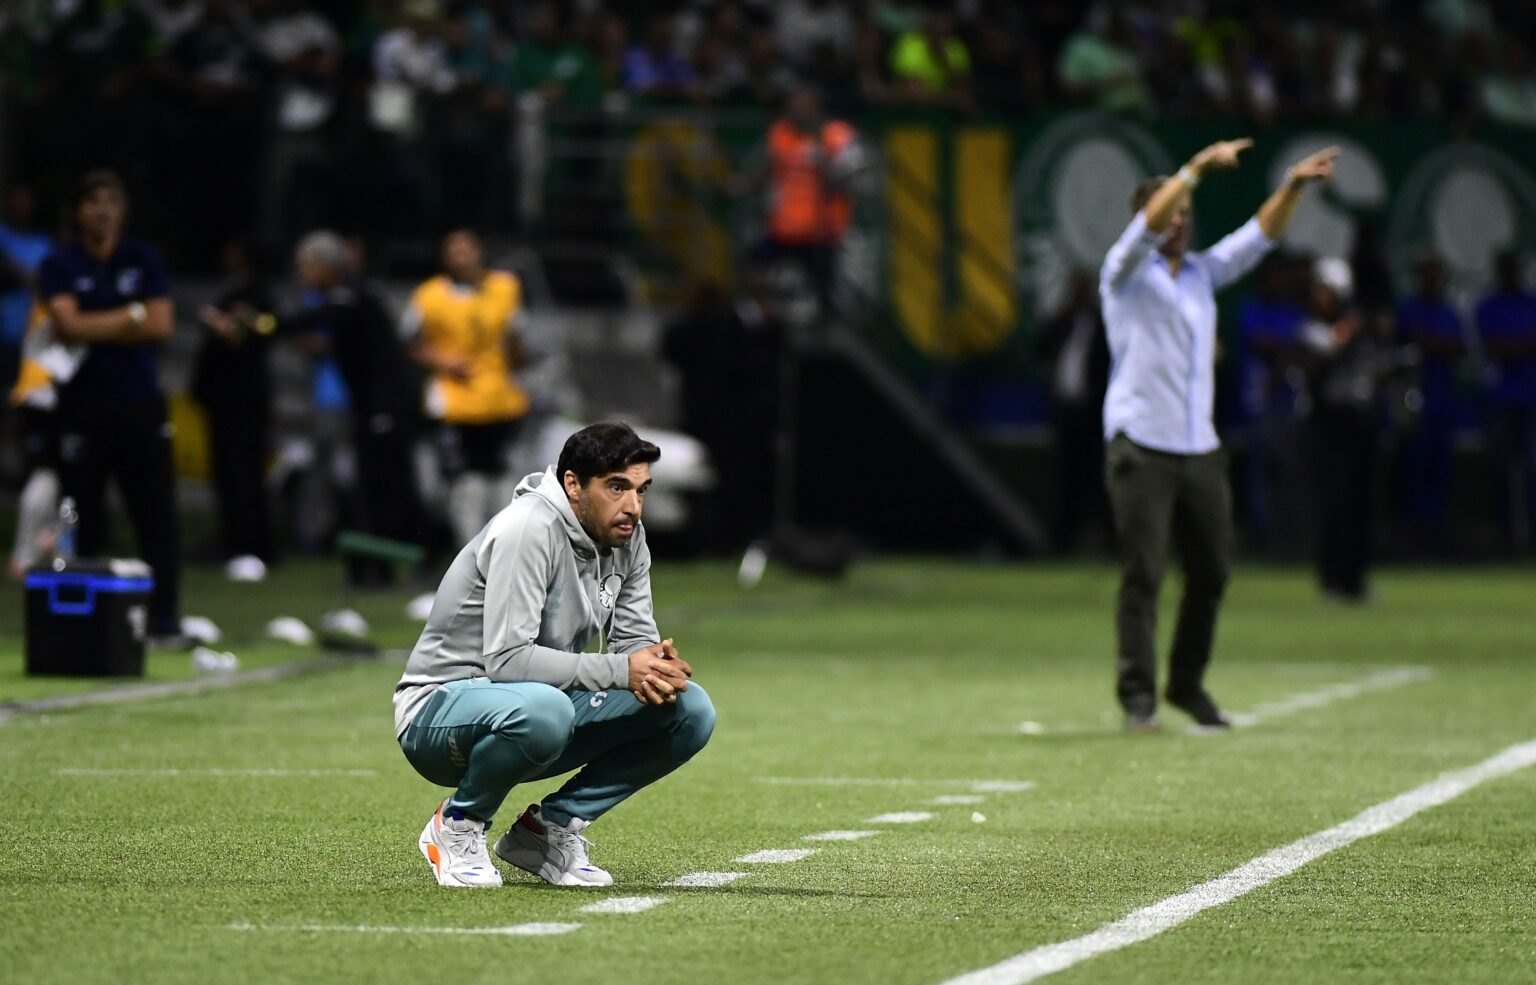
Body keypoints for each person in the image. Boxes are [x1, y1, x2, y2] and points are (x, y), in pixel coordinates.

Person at [394, 422, 715, 888]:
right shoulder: (528, 528)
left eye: (642, 491)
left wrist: (653, 666)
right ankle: (458, 825)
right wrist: (622, 669)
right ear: (573, 484)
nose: (633, 506)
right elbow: (507, 662)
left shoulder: (627, 537)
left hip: (537, 703)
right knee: (546, 710)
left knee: (688, 709)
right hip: (438, 711)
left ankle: (546, 831)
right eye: (617, 488)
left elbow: (631, 646)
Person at [1100, 139, 1339, 730]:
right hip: (1141, 442)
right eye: (1170, 213)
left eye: (1185, 214)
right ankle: (1138, 696)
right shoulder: (1124, 272)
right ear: (1146, 219)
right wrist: (1193, 170)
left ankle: (1186, 684)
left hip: (1198, 445)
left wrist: (1292, 188)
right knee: (1145, 573)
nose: (1179, 222)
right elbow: (1147, 230)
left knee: (1212, 570)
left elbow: (1257, 239)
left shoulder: (1202, 275)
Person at [37, 170, 185, 644]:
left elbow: (161, 325)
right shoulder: (60, 262)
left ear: (122, 210)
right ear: (78, 211)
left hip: (139, 404)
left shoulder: (142, 259)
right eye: (93, 201)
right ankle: (86, 623)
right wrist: (130, 315)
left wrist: (91, 322)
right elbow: (66, 324)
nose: (103, 210)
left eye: (111, 201)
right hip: (82, 405)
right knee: (83, 514)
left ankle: (162, 621)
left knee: (155, 513)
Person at [283, 229, 425, 586]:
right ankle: (375, 566)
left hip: (386, 407)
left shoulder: (352, 295)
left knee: (391, 486)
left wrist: (264, 324)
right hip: (370, 408)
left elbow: (318, 320)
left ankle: (423, 559)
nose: (303, 275)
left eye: (306, 267)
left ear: (325, 266)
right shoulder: (346, 297)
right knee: (371, 486)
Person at [402, 229, 530, 546]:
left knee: (502, 479)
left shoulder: (505, 288)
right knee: (464, 480)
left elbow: (517, 346)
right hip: (455, 402)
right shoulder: (429, 296)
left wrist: (516, 351)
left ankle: (504, 549)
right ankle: (469, 551)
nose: (462, 257)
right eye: (454, 250)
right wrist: (443, 362)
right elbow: (409, 341)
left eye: (467, 249)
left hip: (500, 399)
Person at [191, 238, 277, 581]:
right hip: (224, 400)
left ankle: (251, 545)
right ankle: (234, 540)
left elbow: (257, 331)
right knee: (227, 473)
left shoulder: (256, 293)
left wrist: (224, 323)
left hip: (243, 400)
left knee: (244, 473)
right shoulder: (230, 289)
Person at [752, 85, 860, 317]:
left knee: (824, 288)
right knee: (755, 270)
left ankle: (829, 326)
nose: (798, 111)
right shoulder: (781, 133)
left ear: (816, 107)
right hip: (785, 227)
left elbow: (850, 177)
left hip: (822, 229)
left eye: (804, 105)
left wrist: (826, 164)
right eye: (794, 105)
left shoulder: (835, 134)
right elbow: (769, 169)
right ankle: (764, 318)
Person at [1038, 269, 1110, 555]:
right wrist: (1056, 316)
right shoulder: (1064, 321)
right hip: (1066, 413)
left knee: (1098, 480)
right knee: (1064, 480)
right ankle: (1059, 543)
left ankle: (1110, 542)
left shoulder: (1100, 324)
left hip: (1092, 414)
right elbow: (1041, 347)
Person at [1397, 254, 1465, 553]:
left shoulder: (1449, 312)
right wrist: (1437, 345)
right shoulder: (1409, 310)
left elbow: (1458, 349)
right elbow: (1413, 345)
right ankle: (1413, 534)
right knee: (1413, 468)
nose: (1432, 281)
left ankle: (1438, 533)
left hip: (1442, 401)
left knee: (1441, 469)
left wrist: (1433, 344)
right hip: (1414, 401)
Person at [1476, 250, 1536, 549]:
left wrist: (1515, 346)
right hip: (1502, 398)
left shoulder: (1531, 302)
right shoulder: (1489, 305)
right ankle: (1505, 533)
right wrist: (1523, 345)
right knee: (1501, 466)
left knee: (1531, 466)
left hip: (1530, 395)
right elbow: (1496, 346)